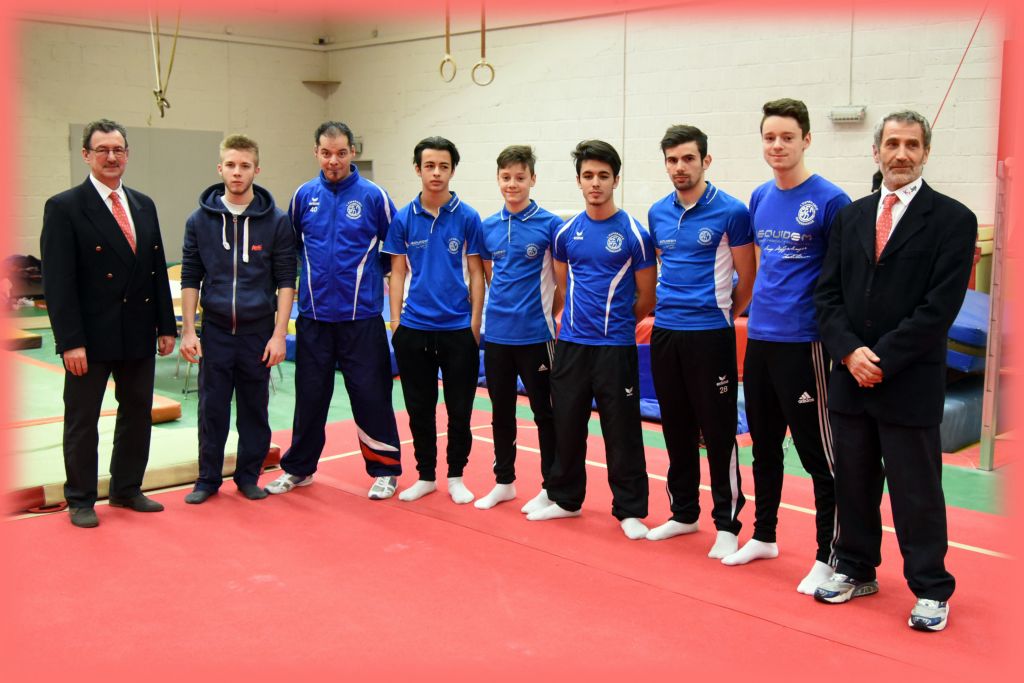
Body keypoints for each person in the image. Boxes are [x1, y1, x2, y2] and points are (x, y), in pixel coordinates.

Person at [814, 110, 976, 632]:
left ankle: (930, 587)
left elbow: (939, 308)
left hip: (908, 381)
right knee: (854, 485)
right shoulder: (851, 217)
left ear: (926, 152)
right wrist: (849, 353)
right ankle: (856, 567)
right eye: (892, 144)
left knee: (916, 493)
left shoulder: (953, 220)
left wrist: (879, 359)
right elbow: (827, 296)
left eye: (911, 145)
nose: (900, 153)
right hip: (850, 379)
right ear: (876, 151)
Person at [721, 99, 851, 595]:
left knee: (819, 456)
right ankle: (765, 535)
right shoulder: (759, 196)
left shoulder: (831, 201)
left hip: (805, 343)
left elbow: (841, 276)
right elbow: (760, 267)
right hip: (760, 338)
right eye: (770, 137)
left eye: (787, 137)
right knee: (764, 446)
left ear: (807, 140)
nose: (777, 146)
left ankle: (828, 554)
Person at [40, 118, 176, 528]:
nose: (111, 157)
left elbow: (155, 269)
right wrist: (70, 341)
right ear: (86, 155)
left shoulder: (143, 204)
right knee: (83, 420)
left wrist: (165, 325)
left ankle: (126, 489)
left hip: (137, 329)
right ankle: (81, 498)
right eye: (102, 150)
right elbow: (58, 283)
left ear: (127, 155)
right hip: (90, 336)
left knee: (136, 413)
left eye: (118, 150)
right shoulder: (65, 207)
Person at [263, 122, 404, 500]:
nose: (333, 161)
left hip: (362, 319)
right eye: (326, 153)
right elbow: (291, 249)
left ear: (352, 152)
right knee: (309, 397)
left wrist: (376, 289)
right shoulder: (303, 196)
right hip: (314, 318)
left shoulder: (374, 196)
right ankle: (299, 468)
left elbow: (394, 252)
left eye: (341, 153)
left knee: (371, 396)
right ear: (316, 153)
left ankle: (385, 471)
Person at [527, 140, 656, 540]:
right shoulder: (566, 233)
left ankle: (629, 509)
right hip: (572, 346)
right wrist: (580, 326)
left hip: (615, 348)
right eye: (588, 176)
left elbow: (646, 296)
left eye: (603, 176)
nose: (595, 183)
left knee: (622, 430)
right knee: (566, 424)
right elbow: (564, 287)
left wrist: (616, 325)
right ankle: (565, 499)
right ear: (579, 181)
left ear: (616, 180)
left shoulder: (635, 233)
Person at [644, 125, 755, 557]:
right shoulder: (657, 212)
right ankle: (684, 512)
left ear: (705, 161)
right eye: (672, 160)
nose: (680, 167)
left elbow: (748, 278)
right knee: (676, 427)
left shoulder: (732, 211)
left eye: (688, 158)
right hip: (666, 333)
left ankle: (727, 523)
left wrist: (722, 314)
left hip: (710, 335)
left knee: (719, 430)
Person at [178, 134, 296, 504]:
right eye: (230, 165)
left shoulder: (276, 222)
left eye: (245, 165)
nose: (237, 172)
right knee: (211, 409)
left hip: (257, 332)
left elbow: (286, 281)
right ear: (220, 169)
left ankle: (248, 477)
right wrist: (188, 331)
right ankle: (207, 480)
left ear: (256, 170)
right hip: (215, 331)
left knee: (254, 410)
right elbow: (190, 277)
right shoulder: (199, 221)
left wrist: (279, 334)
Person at [383, 136, 485, 505]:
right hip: (414, 330)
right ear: (418, 169)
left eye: (444, 166)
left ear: (452, 170)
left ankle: (456, 475)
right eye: (430, 166)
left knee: (460, 410)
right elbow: (397, 272)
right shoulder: (403, 217)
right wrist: (396, 323)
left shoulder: (468, 217)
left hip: (458, 330)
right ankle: (425, 475)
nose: (436, 173)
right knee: (419, 410)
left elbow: (477, 273)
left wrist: (474, 325)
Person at [475, 145, 563, 511]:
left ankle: (551, 487)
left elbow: (561, 285)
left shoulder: (550, 225)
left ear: (533, 179)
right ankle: (504, 482)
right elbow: (490, 277)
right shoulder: (487, 227)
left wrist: (543, 315)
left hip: (536, 336)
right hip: (497, 336)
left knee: (545, 413)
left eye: (520, 177)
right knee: (501, 413)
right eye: (506, 177)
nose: (513, 184)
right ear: (498, 179)